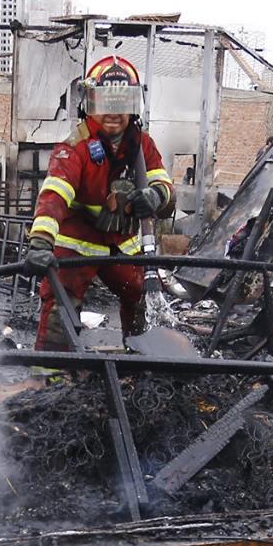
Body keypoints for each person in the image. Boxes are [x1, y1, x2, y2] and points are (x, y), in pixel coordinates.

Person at [23, 56, 174, 350]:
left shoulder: (142, 144)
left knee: (141, 297)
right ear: (89, 104)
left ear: (134, 106)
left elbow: (165, 187)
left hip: (122, 242)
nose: (113, 113)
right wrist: (40, 243)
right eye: (105, 102)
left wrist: (155, 196)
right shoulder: (75, 148)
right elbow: (54, 196)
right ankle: (51, 371)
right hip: (78, 242)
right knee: (61, 304)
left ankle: (139, 358)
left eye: (122, 103)